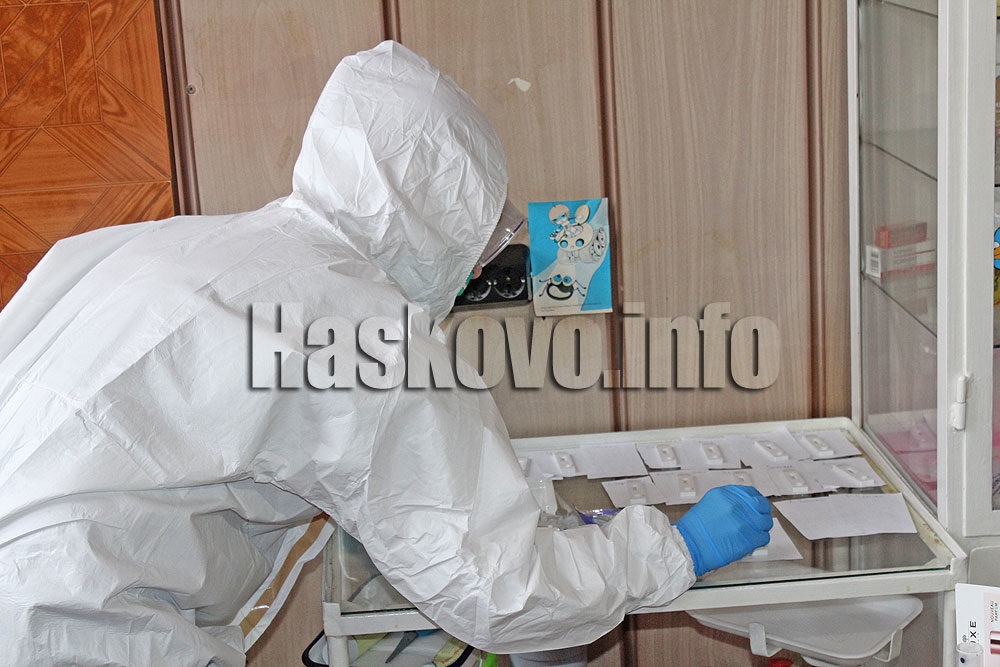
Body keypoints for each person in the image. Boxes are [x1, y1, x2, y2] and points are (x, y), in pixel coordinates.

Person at [0, 41, 771, 665]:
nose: (472, 274)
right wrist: (672, 548)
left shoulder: (165, 242)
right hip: (75, 624)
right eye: (476, 246)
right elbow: (498, 586)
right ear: (439, 222)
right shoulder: (370, 331)